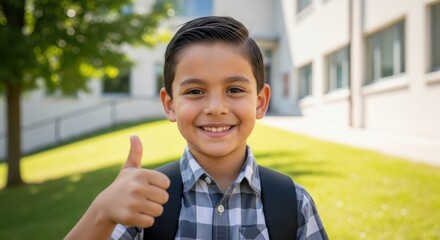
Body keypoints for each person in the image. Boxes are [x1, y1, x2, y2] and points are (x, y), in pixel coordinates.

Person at [65, 16, 328, 240]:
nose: (216, 107)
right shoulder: (142, 203)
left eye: (234, 90)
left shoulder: (293, 203)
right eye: (195, 91)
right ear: (170, 105)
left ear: (260, 102)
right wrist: (101, 212)